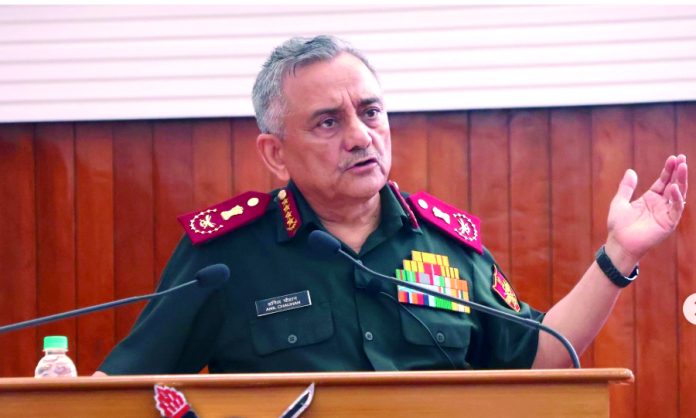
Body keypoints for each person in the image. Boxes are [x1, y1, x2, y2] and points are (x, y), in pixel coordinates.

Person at [96, 35, 687, 375]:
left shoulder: (447, 244)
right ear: (275, 154)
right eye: (328, 122)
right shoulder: (223, 257)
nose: (361, 136)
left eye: (371, 112)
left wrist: (618, 255)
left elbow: (539, 357)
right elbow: (127, 385)